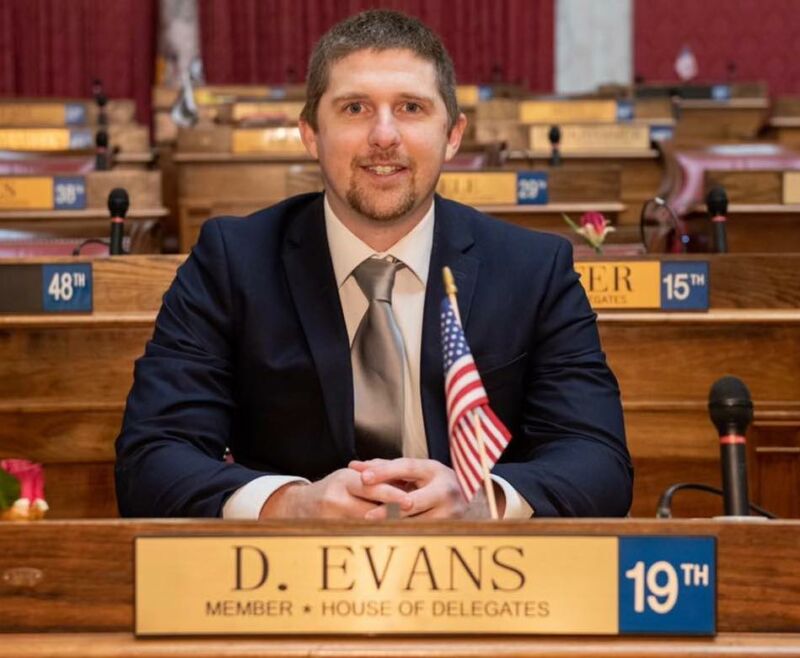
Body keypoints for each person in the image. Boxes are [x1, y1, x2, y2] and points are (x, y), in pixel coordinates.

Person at [115, 10, 632, 520]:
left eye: (411, 107)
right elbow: (151, 460)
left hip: (483, 563)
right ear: (311, 133)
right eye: (355, 108)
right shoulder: (231, 261)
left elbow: (599, 462)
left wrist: (484, 501)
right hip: (289, 564)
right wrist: (290, 505)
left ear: (452, 134)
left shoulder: (534, 270)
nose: (384, 136)